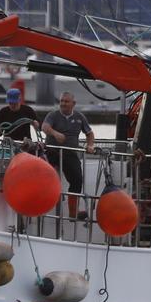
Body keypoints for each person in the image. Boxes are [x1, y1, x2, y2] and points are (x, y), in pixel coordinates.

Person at [41, 91, 95, 219]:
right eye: (61, 101)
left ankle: (73, 212)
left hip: (70, 153)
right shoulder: (53, 115)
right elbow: (44, 127)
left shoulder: (79, 117)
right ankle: (42, 206)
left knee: (77, 179)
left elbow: (89, 133)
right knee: (47, 177)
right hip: (53, 151)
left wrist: (90, 145)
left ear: (73, 103)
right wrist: (55, 133)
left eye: (66, 101)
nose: (63, 104)